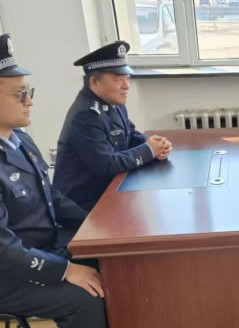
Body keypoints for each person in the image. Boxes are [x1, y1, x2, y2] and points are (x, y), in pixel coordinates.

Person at [0, 33, 138, 328]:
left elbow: (51, 197)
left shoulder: (18, 139)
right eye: (19, 94)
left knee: (109, 255)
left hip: (40, 245)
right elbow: (4, 250)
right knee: (83, 299)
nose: (30, 101)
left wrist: (96, 224)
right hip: (9, 272)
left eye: (29, 92)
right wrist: (64, 270)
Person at [53, 41, 172, 211]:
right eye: (118, 80)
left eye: (127, 78)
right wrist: (149, 150)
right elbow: (106, 165)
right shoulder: (85, 115)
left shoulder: (113, 102)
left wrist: (156, 144)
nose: (126, 86)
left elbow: (129, 134)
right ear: (94, 82)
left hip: (109, 190)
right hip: (85, 204)